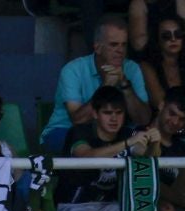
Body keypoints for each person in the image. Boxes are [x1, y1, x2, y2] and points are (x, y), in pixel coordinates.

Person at [44, 15, 152, 151]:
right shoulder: (73, 70)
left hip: (115, 132)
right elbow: (78, 121)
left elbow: (143, 119)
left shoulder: (132, 68)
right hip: (66, 130)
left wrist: (125, 85)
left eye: (124, 45)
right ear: (97, 47)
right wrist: (106, 85)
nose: (120, 50)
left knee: (146, 139)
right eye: (114, 44)